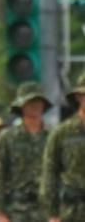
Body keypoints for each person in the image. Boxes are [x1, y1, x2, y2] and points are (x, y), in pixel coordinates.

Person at [0, 82, 51, 222]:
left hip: (46, 210)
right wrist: (1, 213)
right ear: (21, 105)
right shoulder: (8, 138)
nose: (35, 105)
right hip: (16, 210)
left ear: (43, 105)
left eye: (38, 101)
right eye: (30, 101)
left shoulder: (52, 137)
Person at [41, 71, 85, 222]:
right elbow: (50, 173)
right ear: (79, 97)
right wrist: (52, 214)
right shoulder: (62, 133)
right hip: (71, 212)